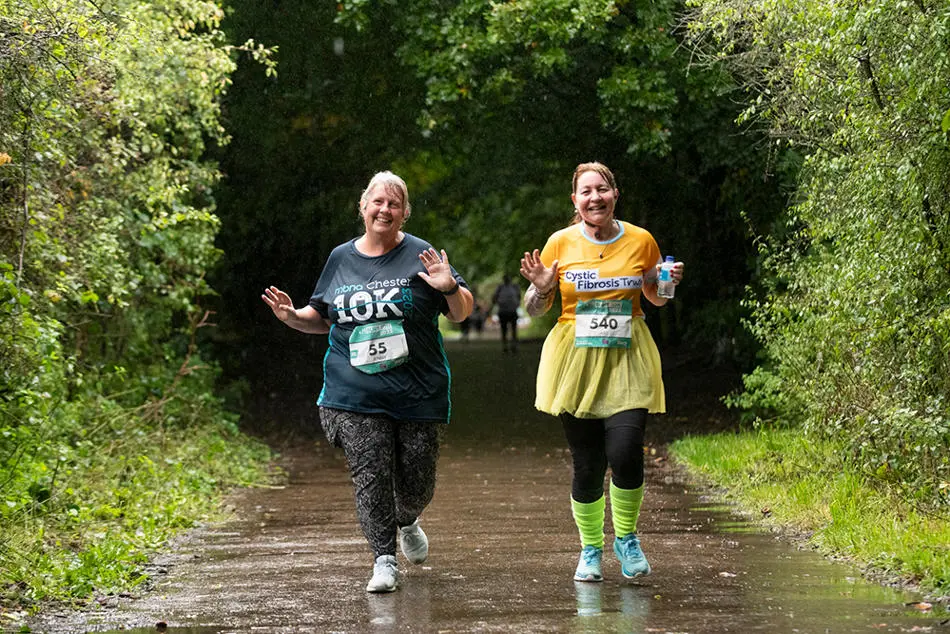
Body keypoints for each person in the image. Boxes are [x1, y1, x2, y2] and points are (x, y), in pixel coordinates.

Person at [262, 171, 473, 593]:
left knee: (417, 482)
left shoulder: (424, 256)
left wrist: (450, 287)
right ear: (363, 207)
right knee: (371, 473)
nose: (384, 209)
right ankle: (384, 558)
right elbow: (321, 317)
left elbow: (461, 312)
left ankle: (407, 517)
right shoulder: (341, 258)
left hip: (417, 393)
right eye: (377, 201)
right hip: (352, 392)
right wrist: (291, 316)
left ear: (405, 213)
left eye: (394, 204)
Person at [519, 162, 683, 583]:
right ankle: (590, 549)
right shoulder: (560, 242)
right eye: (586, 192)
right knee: (587, 462)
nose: (595, 198)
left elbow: (657, 299)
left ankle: (626, 539)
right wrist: (540, 286)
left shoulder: (641, 240)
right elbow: (533, 308)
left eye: (602, 189)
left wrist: (666, 283)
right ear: (575, 201)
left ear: (614, 194)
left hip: (627, 357)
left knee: (626, 451)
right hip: (575, 361)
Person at [490, 274, 522, 353]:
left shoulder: (514, 287)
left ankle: (512, 346)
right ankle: (506, 346)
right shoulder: (501, 288)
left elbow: (519, 296)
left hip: (511, 311)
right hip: (504, 311)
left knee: (513, 329)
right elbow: (494, 298)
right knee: (505, 329)